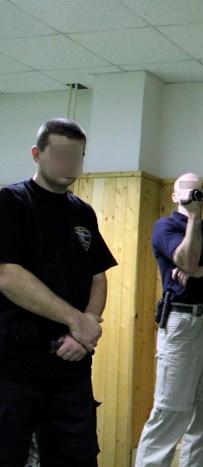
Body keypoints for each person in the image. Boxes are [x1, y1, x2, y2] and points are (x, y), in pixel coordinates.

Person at [0, 118, 117, 466]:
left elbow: (98, 276)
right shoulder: (11, 201)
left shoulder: (82, 212)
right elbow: (7, 275)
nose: (70, 164)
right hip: (15, 364)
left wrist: (87, 327)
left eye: (77, 156)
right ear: (37, 154)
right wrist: (76, 320)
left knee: (77, 457)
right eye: (62, 154)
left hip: (71, 365)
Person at [135, 173, 203, 467]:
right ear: (175, 196)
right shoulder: (166, 227)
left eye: (199, 190)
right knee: (170, 411)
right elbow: (187, 261)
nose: (195, 194)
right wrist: (193, 218)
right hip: (183, 322)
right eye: (188, 190)